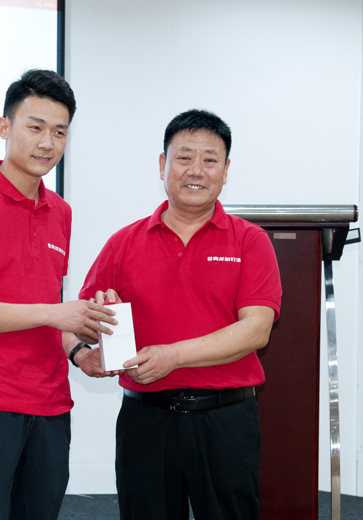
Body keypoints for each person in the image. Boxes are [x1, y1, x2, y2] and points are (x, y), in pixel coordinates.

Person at [76, 109, 282, 520]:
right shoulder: (123, 243)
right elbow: (80, 320)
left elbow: (256, 330)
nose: (196, 170)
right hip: (145, 420)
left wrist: (172, 355)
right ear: (162, 165)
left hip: (226, 419)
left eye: (210, 159)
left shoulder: (250, 241)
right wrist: (87, 346)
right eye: (184, 157)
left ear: (226, 170)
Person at [0, 69, 117, 520]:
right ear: (5, 127)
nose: (47, 143)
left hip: (51, 403)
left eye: (59, 132)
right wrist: (54, 314)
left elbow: (51, 312)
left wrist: (79, 351)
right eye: (35, 127)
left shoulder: (61, 213)